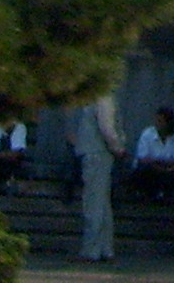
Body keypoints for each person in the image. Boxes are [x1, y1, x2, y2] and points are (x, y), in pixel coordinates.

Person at [68, 88, 125, 265]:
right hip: (99, 153)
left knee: (93, 202)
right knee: (102, 204)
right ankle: (105, 249)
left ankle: (91, 250)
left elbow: (106, 127)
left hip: (96, 153)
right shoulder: (102, 97)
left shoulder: (102, 97)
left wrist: (117, 147)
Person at [128, 107, 174, 196]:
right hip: (150, 171)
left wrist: (160, 162)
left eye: (160, 121)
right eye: (156, 120)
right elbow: (142, 159)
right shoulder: (147, 134)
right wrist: (161, 165)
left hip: (169, 170)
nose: (157, 124)